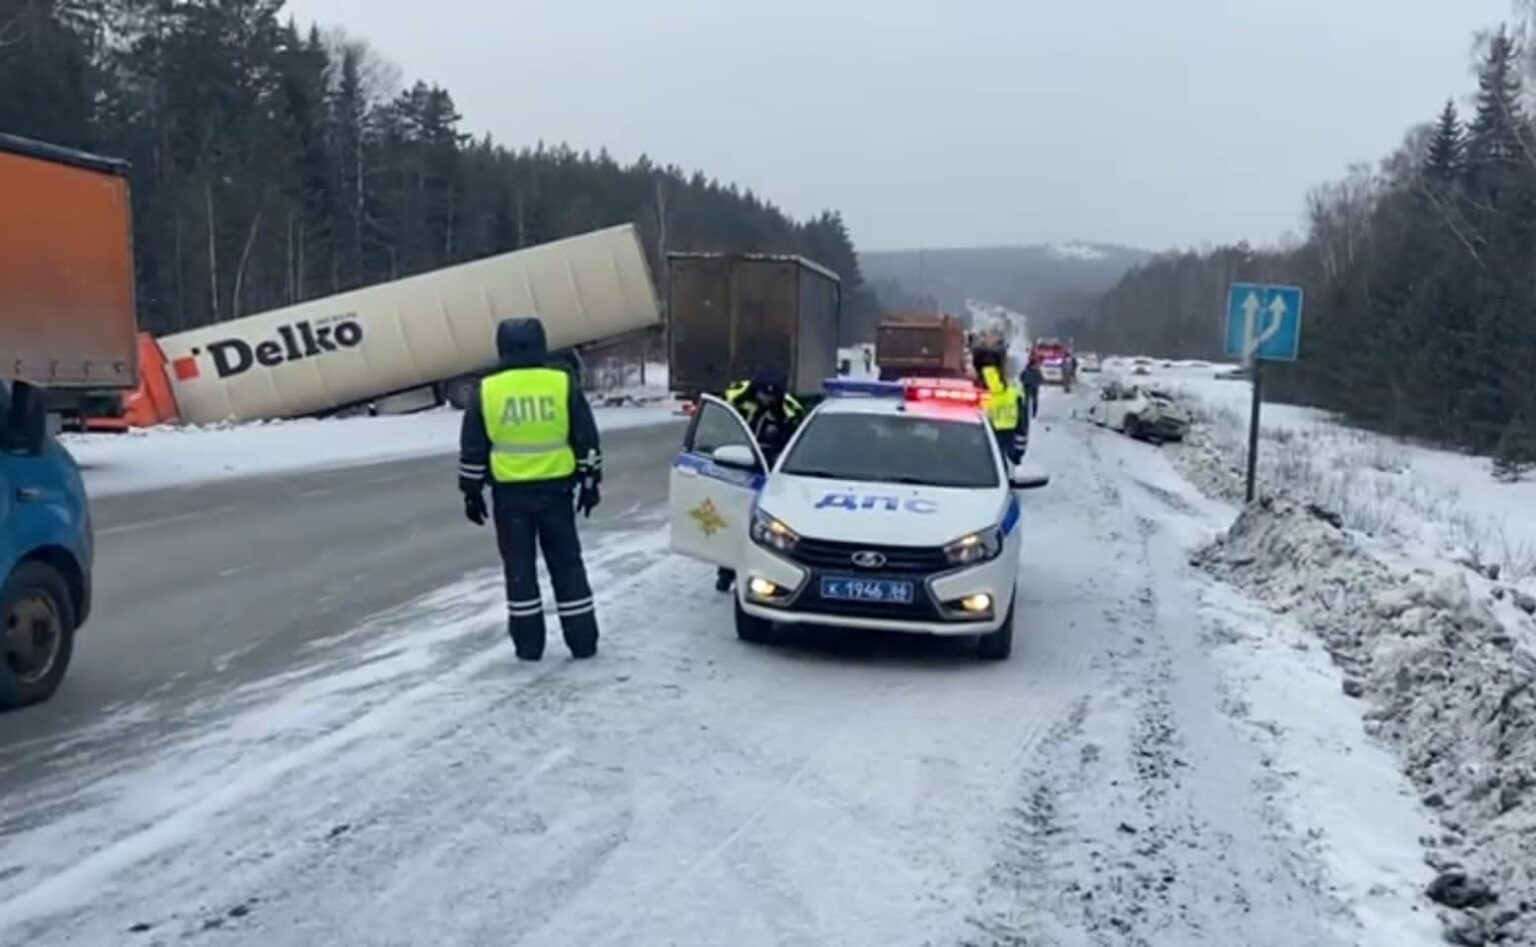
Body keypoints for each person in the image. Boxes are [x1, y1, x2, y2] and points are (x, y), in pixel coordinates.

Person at [458, 318, 603, 661]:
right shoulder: (561, 383)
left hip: (510, 498)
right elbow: (586, 437)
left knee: (519, 571)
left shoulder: (488, 389)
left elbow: (474, 446)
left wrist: (471, 490)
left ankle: (529, 645)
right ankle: (583, 641)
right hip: (557, 493)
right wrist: (590, 482)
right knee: (568, 566)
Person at [713, 367, 806, 592]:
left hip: (768, 473)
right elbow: (717, 422)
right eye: (763, 393)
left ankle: (758, 572)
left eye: (772, 395)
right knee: (729, 523)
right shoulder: (735, 395)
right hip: (734, 466)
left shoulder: (790, 410)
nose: (766, 398)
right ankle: (725, 572)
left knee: (758, 526)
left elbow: (795, 445)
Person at [975, 350, 1025, 465]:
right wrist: (1017, 456)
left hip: (973, 459)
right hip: (1005, 458)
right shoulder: (1015, 394)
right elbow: (1022, 431)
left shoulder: (971, 395)